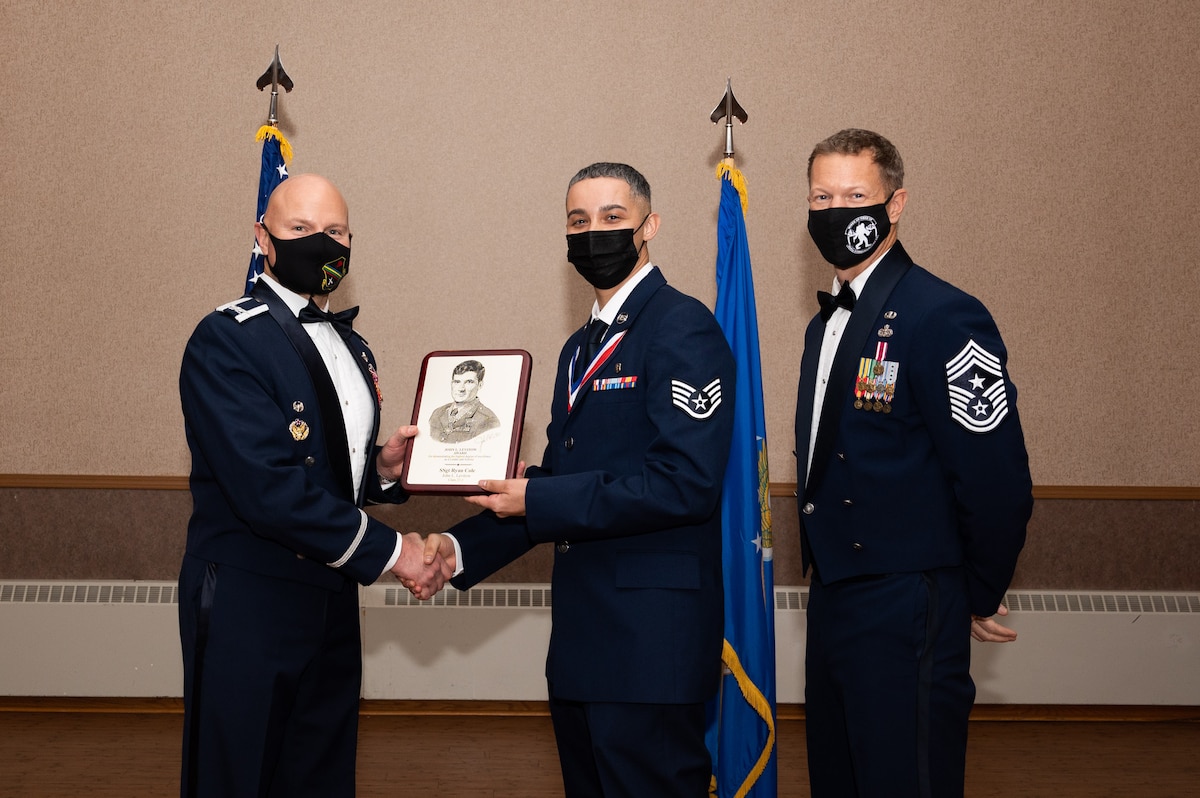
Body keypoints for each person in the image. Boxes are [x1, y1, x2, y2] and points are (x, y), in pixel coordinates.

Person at [433, 163, 736, 797]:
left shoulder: (682, 327)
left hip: (651, 646)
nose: (593, 233)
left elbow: (686, 481)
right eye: (578, 221)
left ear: (648, 227)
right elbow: (559, 485)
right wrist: (456, 550)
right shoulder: (578, 348)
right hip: (584, 643)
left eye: (612, 218)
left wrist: (538, 495)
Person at [177, 173, 451, 798]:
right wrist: (396, 552)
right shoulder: (227, 338)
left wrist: (380, 469)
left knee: (320, 770)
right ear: (263, 238)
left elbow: (326, 469)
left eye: (333, 232)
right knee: (238, 774)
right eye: (300, 230)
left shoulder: (354, 346)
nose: (319, 243)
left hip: (331, 591)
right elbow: (268, 489)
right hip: (251, 593)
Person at [794, 129, 1033, 797]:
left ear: (895, 204)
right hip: (835, 594)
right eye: (822, 196)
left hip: (908, 599)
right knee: (838, 778)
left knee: (906, 780)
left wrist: (976, 589)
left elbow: (996, 479)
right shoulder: (826, 325)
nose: (836, 211)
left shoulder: (944, 315)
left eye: (856, 196)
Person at [427, 359, 501, 443]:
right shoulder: (437, 413)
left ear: (480, 385)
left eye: (469, 382)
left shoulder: (488, 420)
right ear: (452, 384)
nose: (461, 389)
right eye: (457, 382)